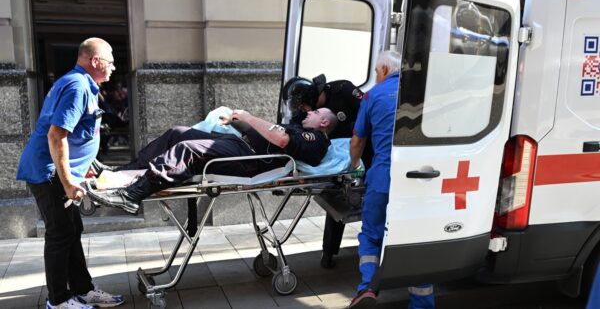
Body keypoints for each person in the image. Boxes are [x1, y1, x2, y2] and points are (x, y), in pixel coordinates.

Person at [16, 38, 125, 309]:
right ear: (95, 61)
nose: (113, 67)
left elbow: (75, 135)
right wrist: (67, 183)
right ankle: (59, 301)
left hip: (54, 170)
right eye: (110, 61)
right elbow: (56, 136)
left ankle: (83, 289)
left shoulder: (80, 83)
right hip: (48, 172)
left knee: (71, 228)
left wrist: (84, 166)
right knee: (60, 233)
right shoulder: (77, 86)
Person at [88, 108, 338, 215]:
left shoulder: (315, 138)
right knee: (178, 132)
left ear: (324, 123)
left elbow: (281, 141)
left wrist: (250, 117)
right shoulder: (297, 126)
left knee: (188, 150)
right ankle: (121, 174)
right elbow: (271, 133)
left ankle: (132, 195)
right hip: (241, 146)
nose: (310, 113)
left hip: (251, 161)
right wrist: (237, 120)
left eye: (316, 113)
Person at [348, 51, 435, 308]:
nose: (376, 77)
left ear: (385, 69)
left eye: (376, 72)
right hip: (421, 178)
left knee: (372, 235)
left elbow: (357, 142)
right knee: (415, 239)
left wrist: (355, 167)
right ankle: (421, 304)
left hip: (382, 175)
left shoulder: (373, 95)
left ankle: (367, 289)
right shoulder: (426, 93)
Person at [286, 75, 372, 268]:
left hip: (367, 147)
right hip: (336, 156)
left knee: (371, 199)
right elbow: (295, 129)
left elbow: (370, 115)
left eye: (305, 108)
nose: (304, 112)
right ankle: (329, 252)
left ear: (313, 98)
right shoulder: (305, 110)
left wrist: (357, 156)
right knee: (336, 198)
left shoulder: (344, 90)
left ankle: (374, 247)